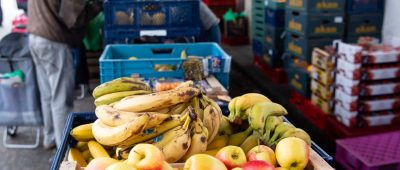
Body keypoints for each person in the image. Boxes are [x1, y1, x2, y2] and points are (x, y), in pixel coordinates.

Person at [28, 0, 101, 149]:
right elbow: (71, 17)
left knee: (47, 95)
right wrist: (95, 7)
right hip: (53, 41)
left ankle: (50, 138)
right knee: (61, 98)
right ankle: (63, 148)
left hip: (35, 36)